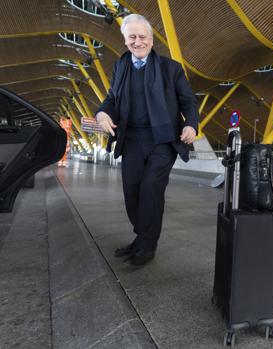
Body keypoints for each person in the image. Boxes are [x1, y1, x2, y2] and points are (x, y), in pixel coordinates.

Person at [95, 14, 199, 267]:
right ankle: (141, 238)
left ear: (151, 41)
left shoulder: (170, 68)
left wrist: (191, 124)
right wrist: (101, 112)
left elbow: (188, 101)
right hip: (131, 139)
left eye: (143, 37)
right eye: (132, 37)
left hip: (162, 140)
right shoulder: (121, 66)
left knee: (150, 189)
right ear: (125, 39)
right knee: (132, 193)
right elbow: (112, 98)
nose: (138, 42)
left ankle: (147, 246)